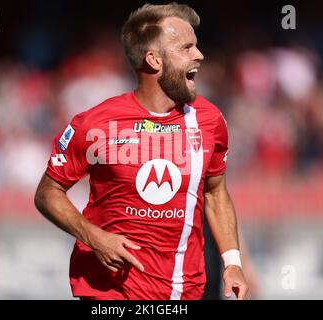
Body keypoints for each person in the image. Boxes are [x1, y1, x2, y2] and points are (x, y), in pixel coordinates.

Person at [34, 2, 248, 300]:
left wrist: (232, 263)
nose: (198, 55)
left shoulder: (209, 121)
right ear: (154, 60)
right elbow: (47, 192)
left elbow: (216, 192)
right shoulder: (96, 123)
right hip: (108, 291)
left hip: (183, 291)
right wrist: (93, 237)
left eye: (196, 46)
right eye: (186, 48)